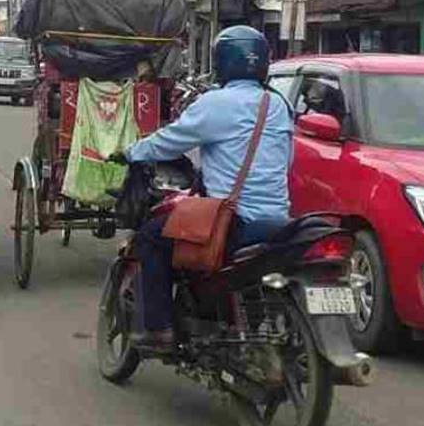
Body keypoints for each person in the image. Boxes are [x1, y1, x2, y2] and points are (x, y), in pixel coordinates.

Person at [116, 25, 294, 354]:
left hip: (234, 222)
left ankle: (159, 329)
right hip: (279, 221)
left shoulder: (215, 103)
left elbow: (170, 141)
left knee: (151, 239)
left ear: (222, 62)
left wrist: (131, 152)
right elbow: (285, 160)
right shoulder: (279, 105)